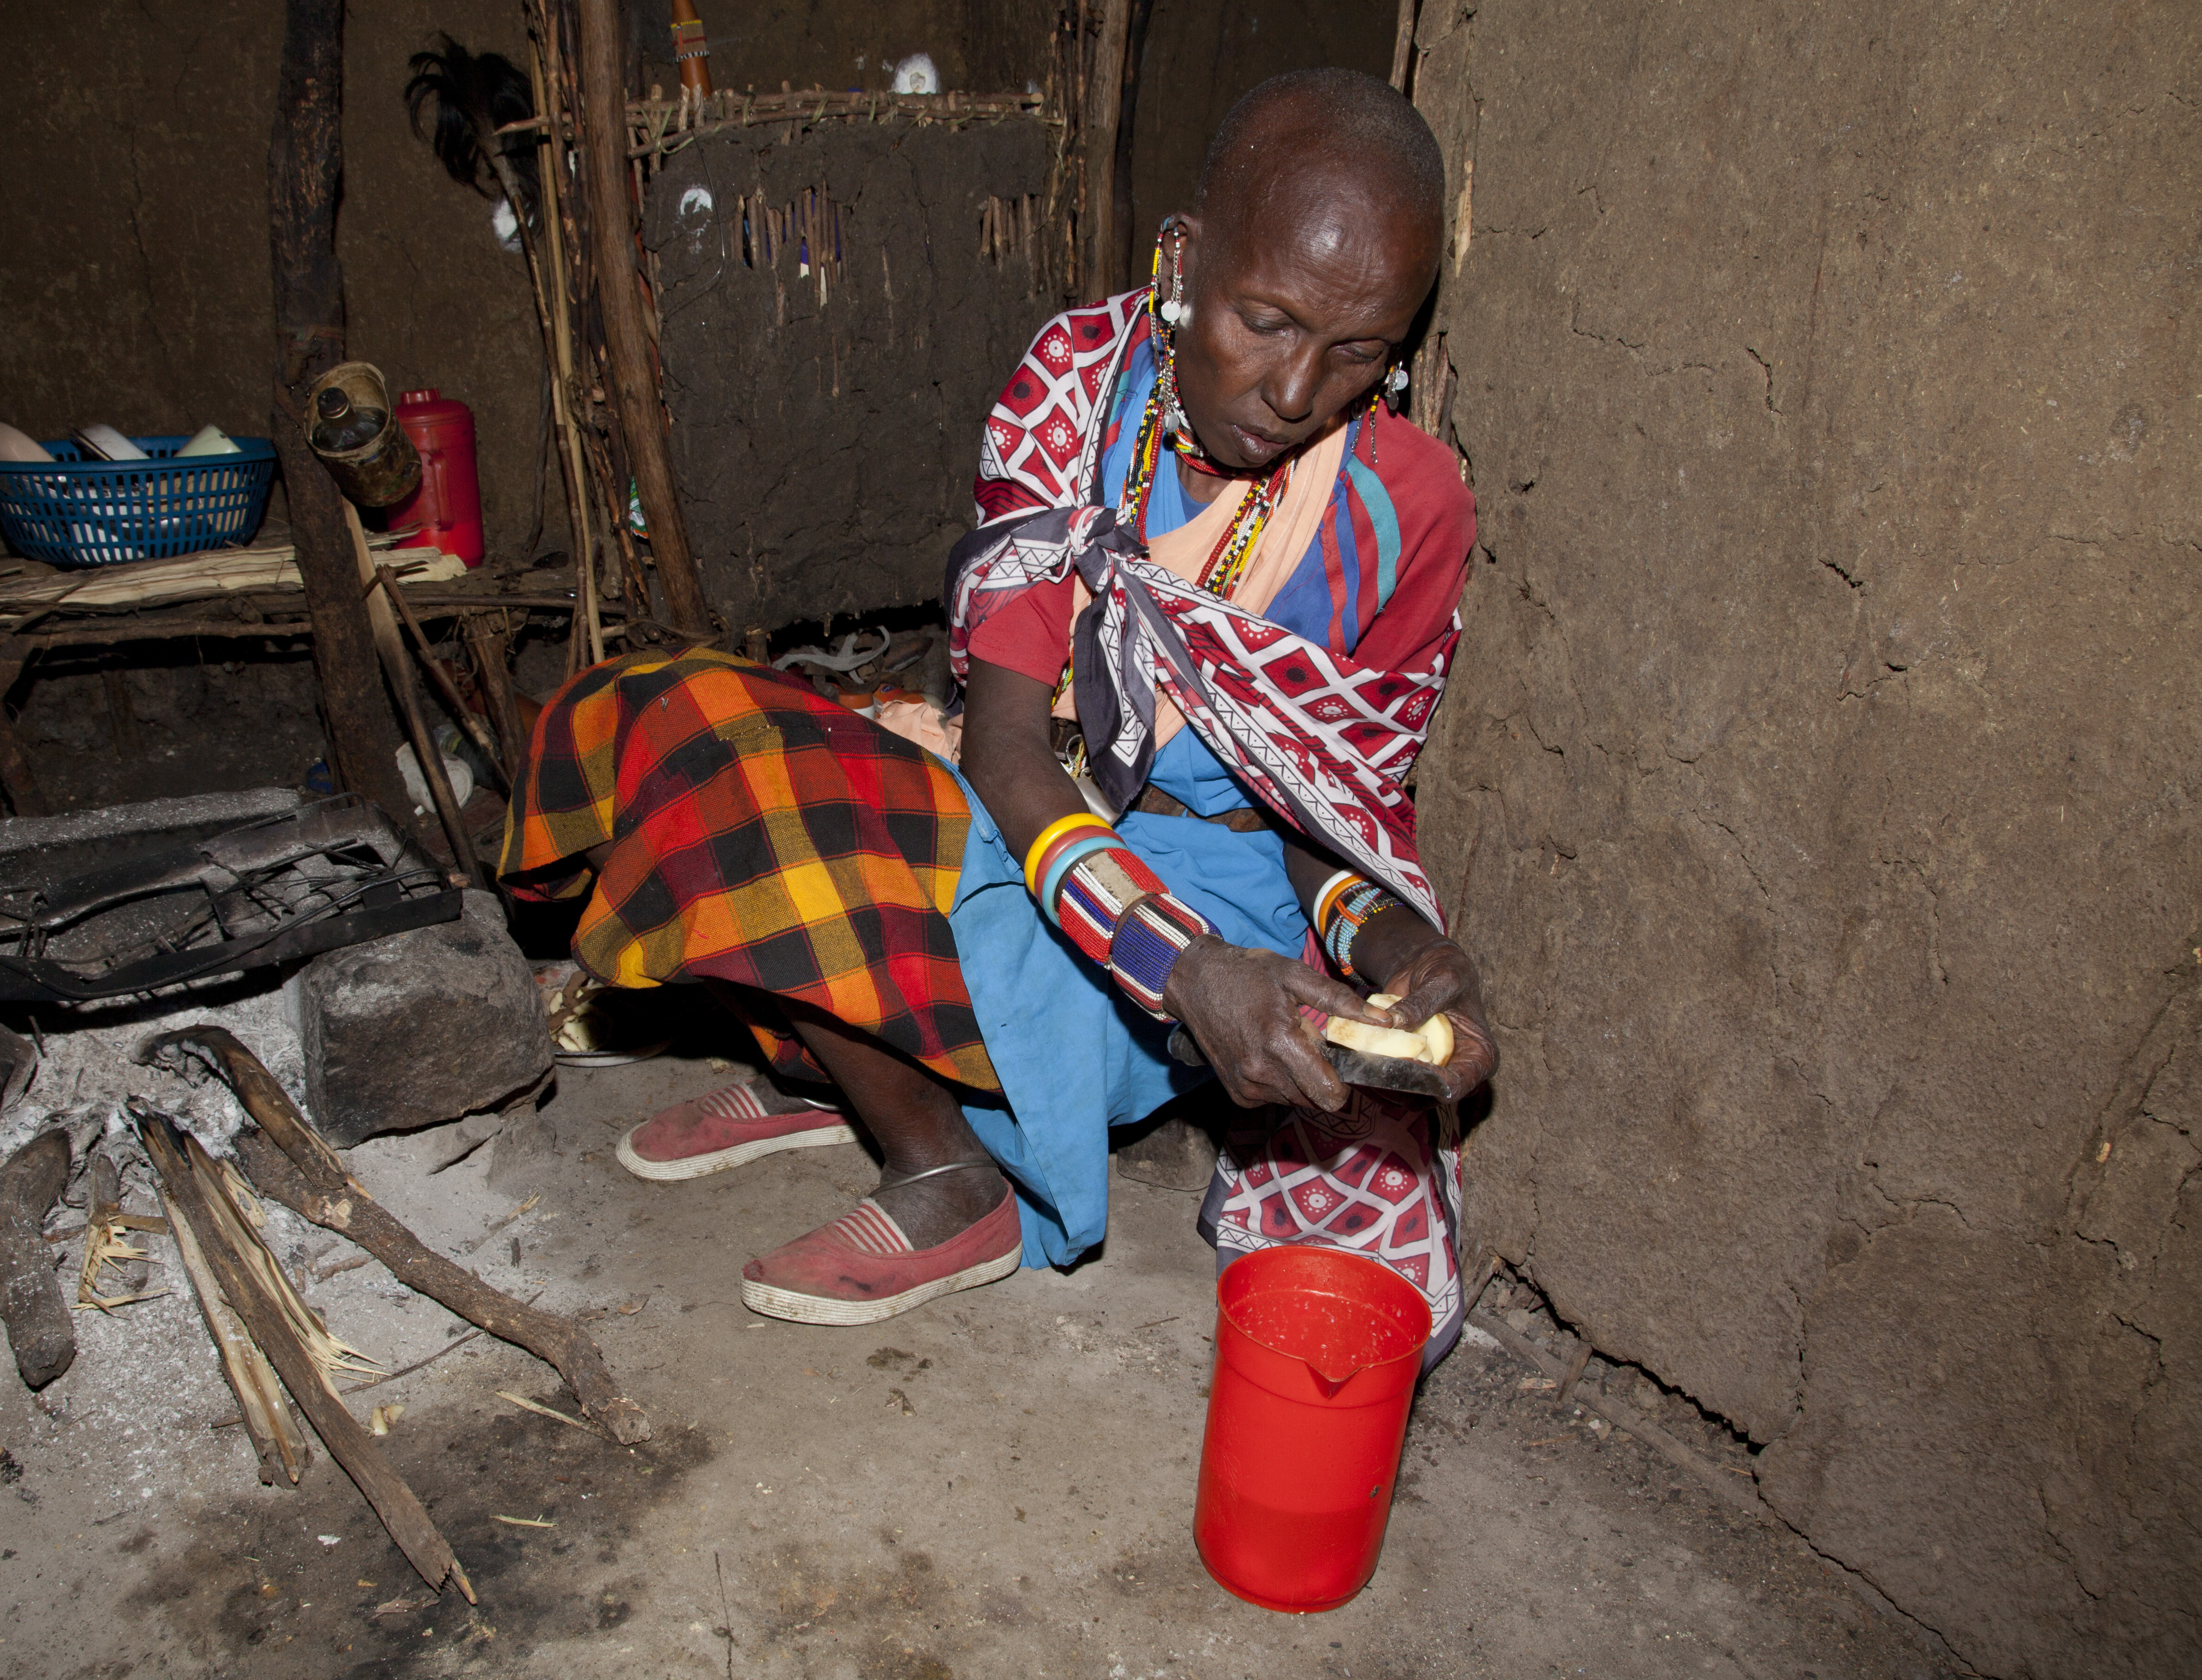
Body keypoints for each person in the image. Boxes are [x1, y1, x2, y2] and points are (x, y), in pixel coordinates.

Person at [499, 68, 1497, 1358]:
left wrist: (1398, 953)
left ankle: (944, 1171)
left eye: (1358, 350)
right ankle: (847, 1072)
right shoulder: (1079, 386)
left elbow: (1331, 807)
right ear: (1184, 260)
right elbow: (1009, 746)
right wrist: (1173, 969)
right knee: (685, 722)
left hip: (1219, 911)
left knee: (783, 815)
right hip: (1047, 816)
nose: (1299, 389)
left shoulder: (1405, 508)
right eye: (1266, 319)